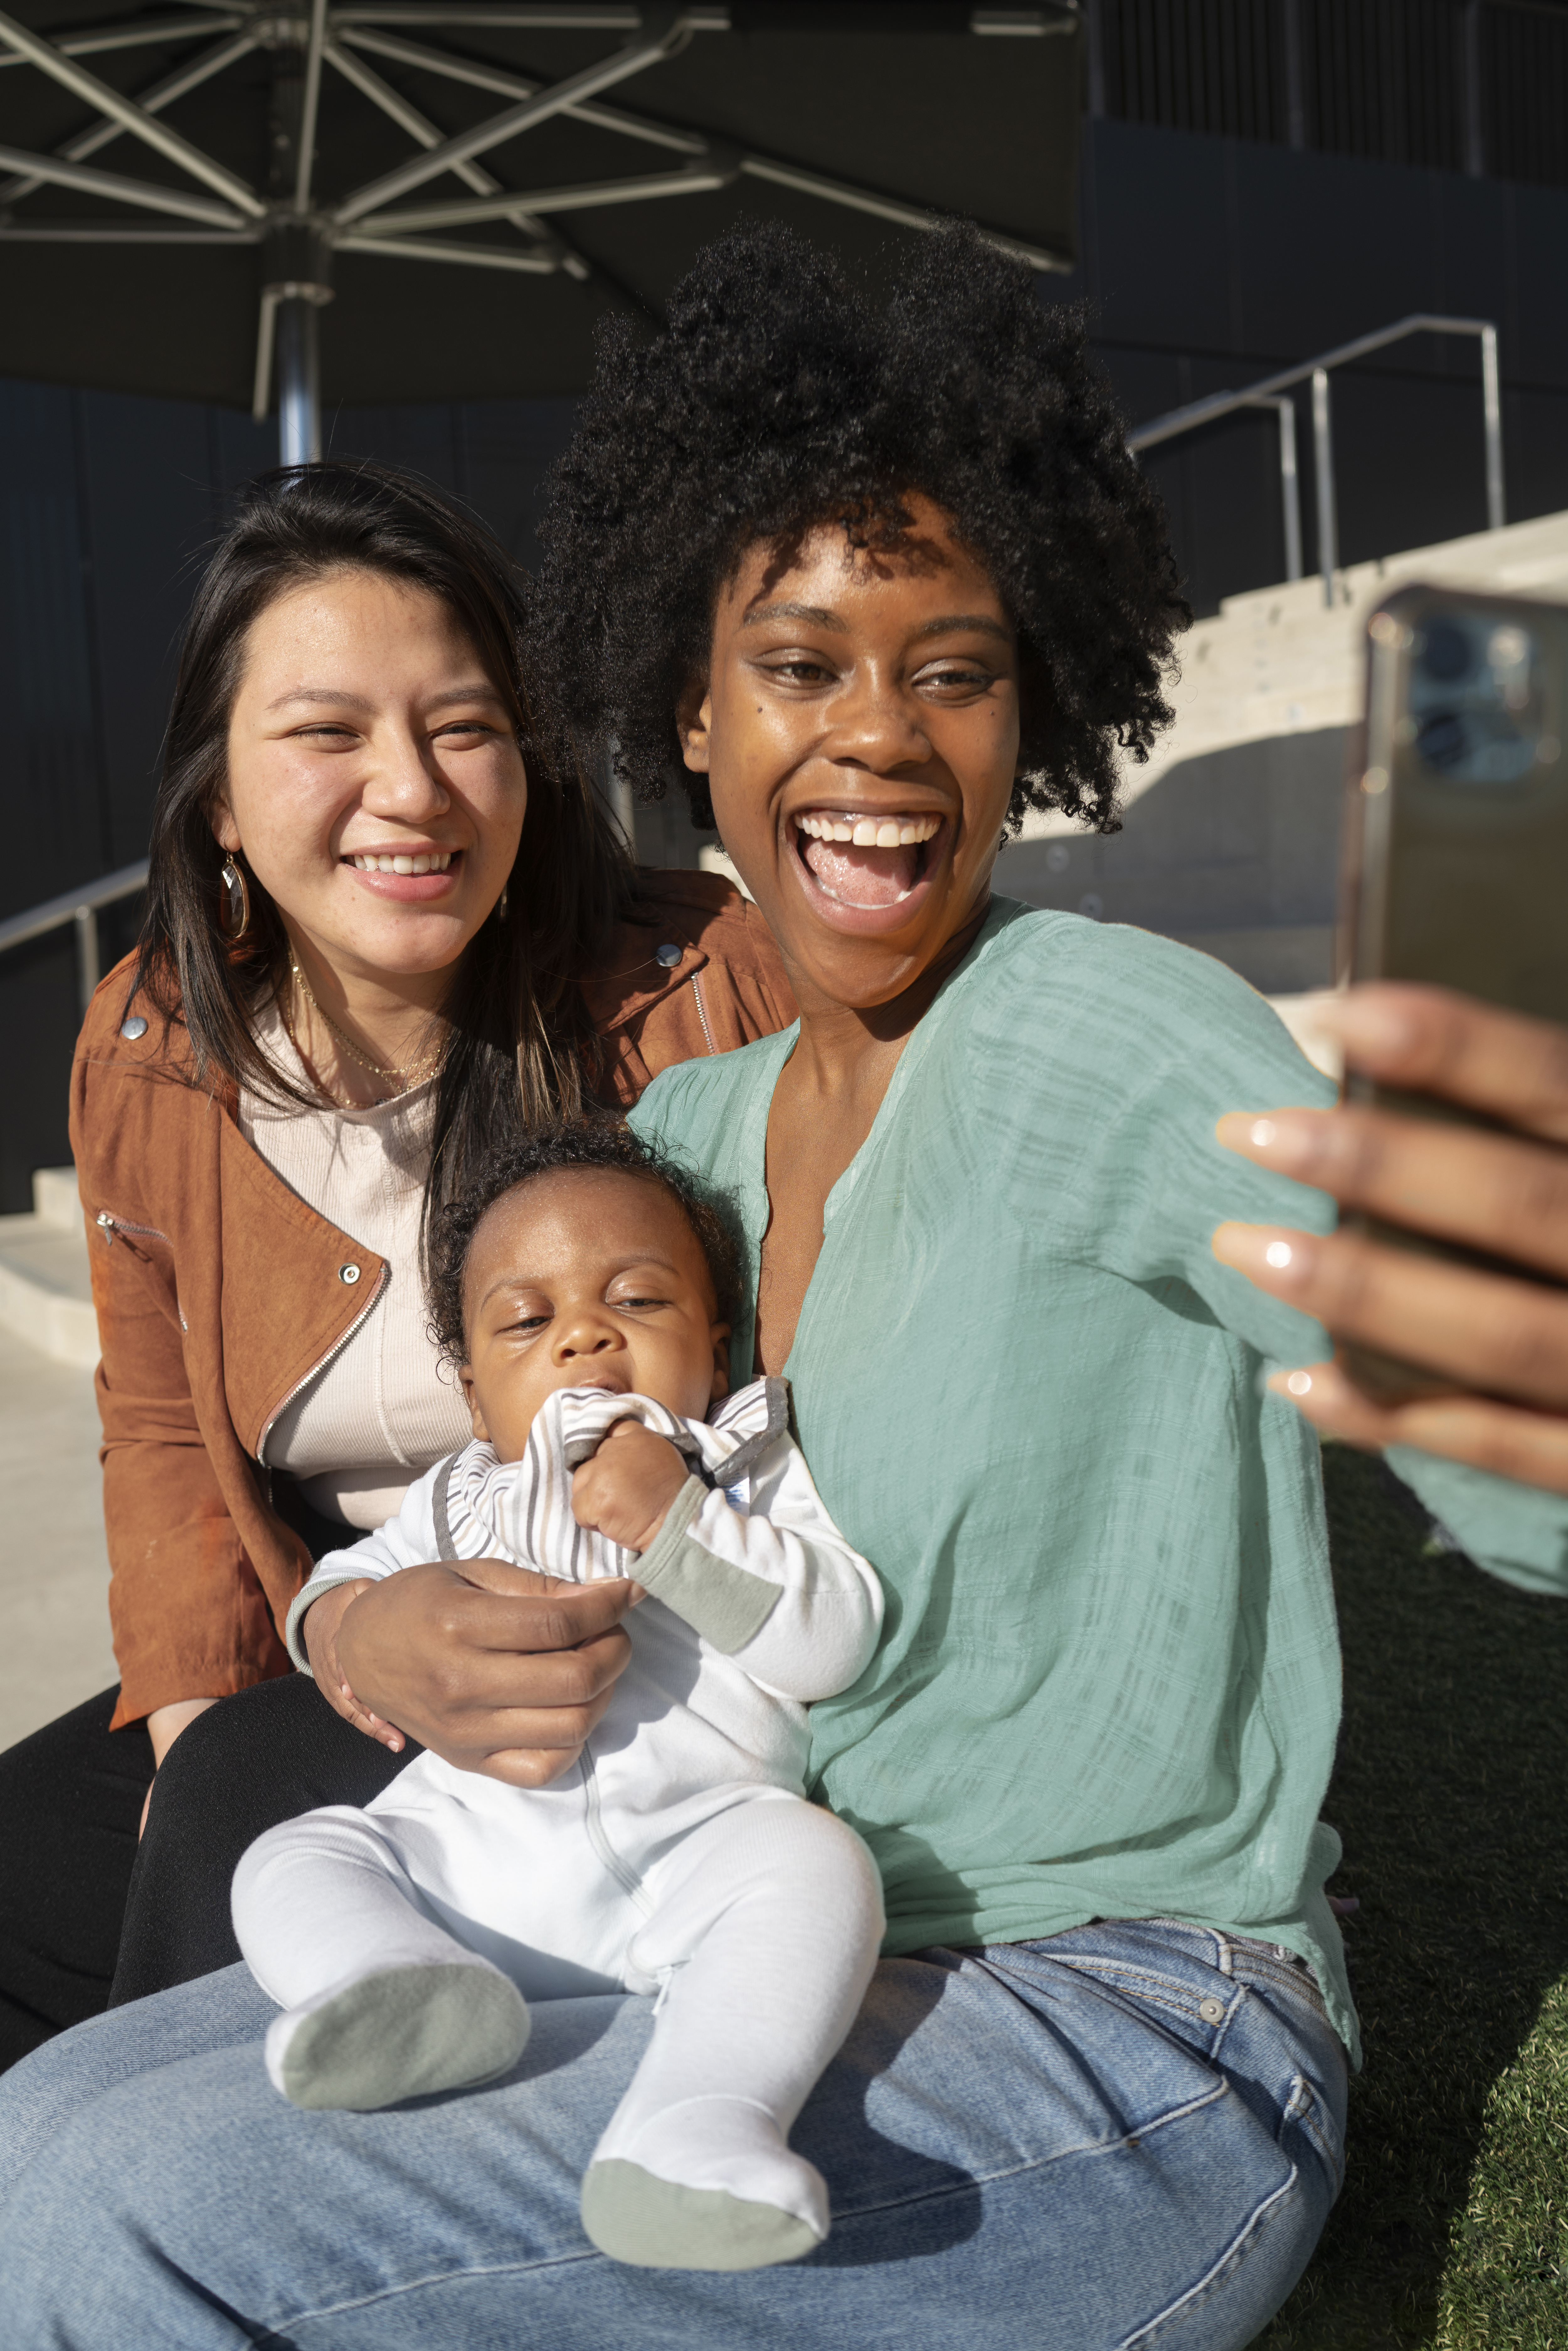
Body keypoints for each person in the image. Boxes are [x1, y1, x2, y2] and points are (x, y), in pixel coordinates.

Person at [2, 223, 1565, 2346]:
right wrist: (363, 1610)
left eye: (956, 669)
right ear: (690, 710)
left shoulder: (1106, 1034)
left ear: (1045, 706)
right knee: (40, 2142)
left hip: (1111, 2020)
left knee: (99, 2217)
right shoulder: (703, 1137)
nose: (881, 739)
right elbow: (515, 1431)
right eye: (801, 666)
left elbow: (1485, 1427)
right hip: (700, 1947)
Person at [0, 459, 794, 2070]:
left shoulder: (700, 983)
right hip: (349, 1625)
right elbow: (159, 1427)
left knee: (234, 1818)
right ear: (219, 798)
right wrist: (228, 1696)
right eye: (325, 732)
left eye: (460, 725)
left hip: (642, 1670)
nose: (411, 789)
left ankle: (189, 2237)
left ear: (529, 757)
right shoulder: (151, 1047)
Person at [233, 1123, 884, 2272]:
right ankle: (390, 1982)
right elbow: (342, 1585)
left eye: (636, 1300)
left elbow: (833, 1638)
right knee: (297, 1852)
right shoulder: (465, 1493)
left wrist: (678, 1522)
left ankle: (700, 2123)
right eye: (527, 1322)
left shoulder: (746, 1465)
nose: (583, 1333)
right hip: (473, 1866)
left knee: (821, 1868)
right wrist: (356, 1621)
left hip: (699, 1853)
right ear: (478, 1399)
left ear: (716, 1350)